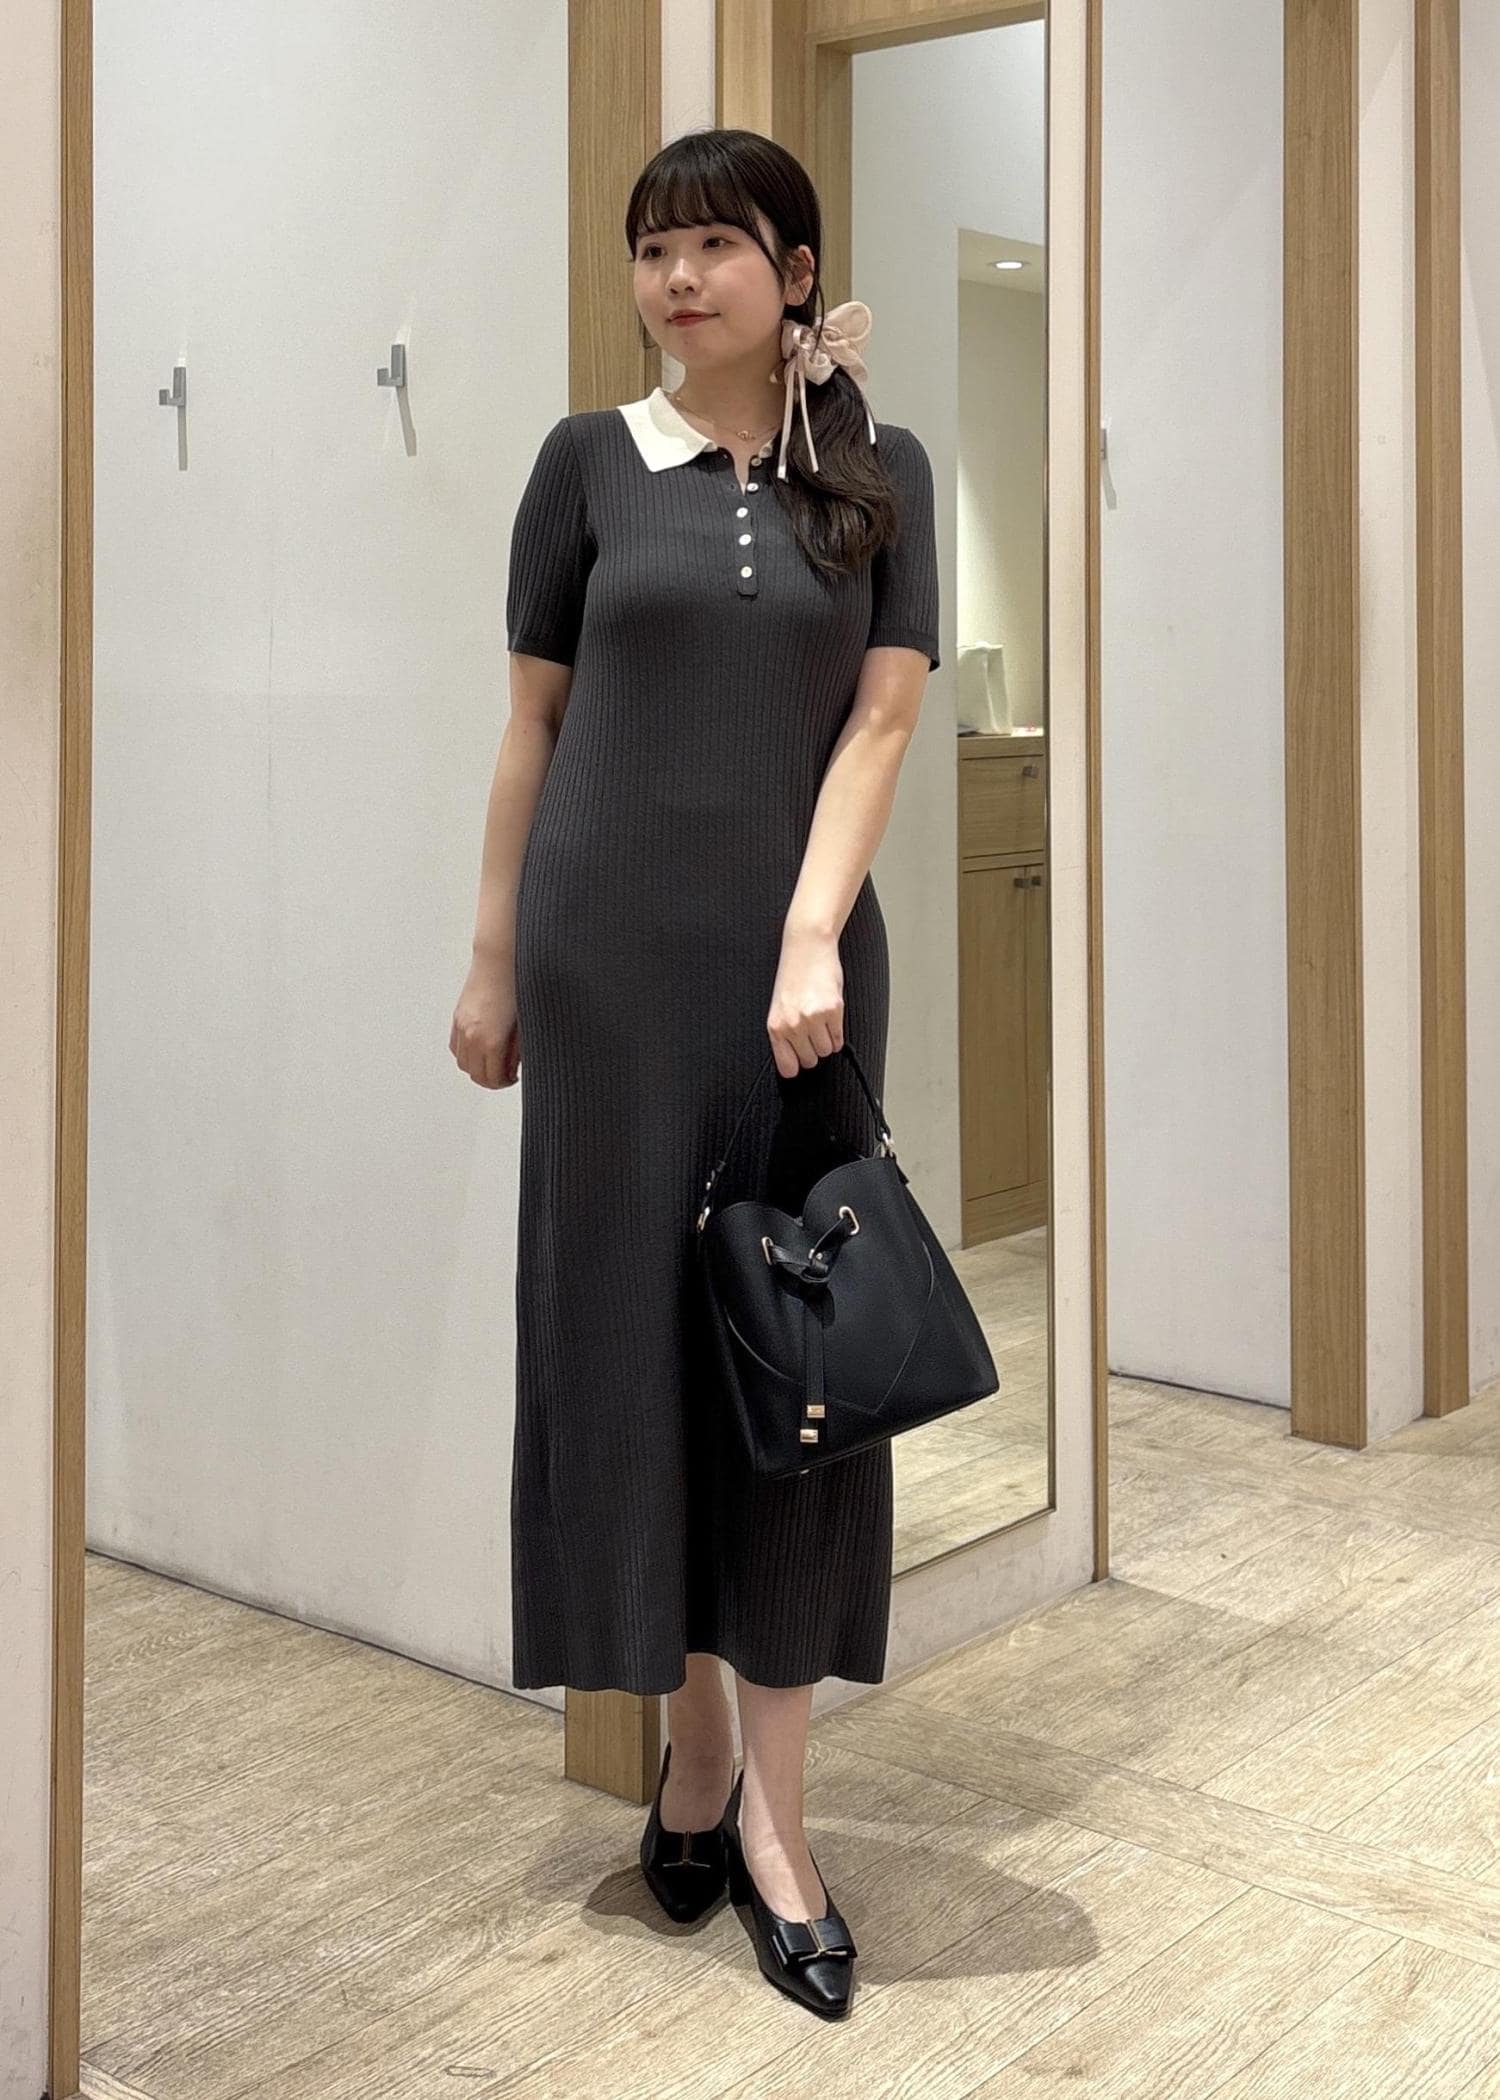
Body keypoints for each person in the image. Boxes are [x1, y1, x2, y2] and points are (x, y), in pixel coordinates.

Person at [450, 126, 939, 2019]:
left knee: (794, 1374)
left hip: (798, 983)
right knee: (636, 1347)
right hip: (606, 971)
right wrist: (494, 954)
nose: (677, 278)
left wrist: (811, 934)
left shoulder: (878, 473)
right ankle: (697, 1751)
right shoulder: (585, 463)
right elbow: (532, 726)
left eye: (716, 244)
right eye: (653, 247)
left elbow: (882, 720)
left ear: (794, 272)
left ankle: (781, 1833)